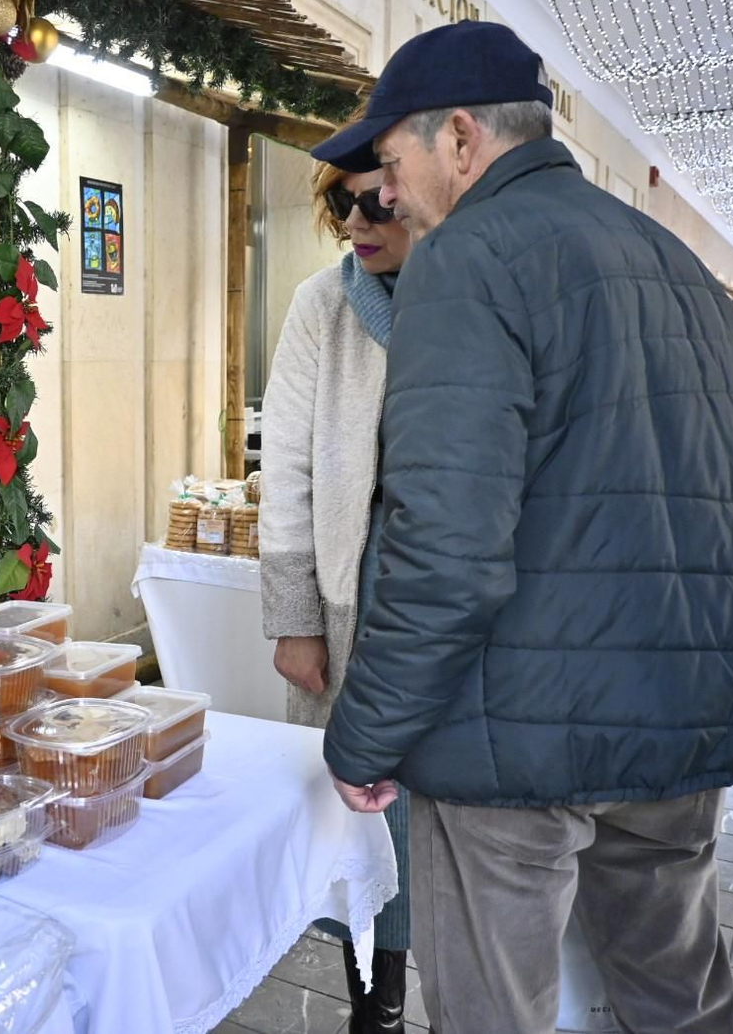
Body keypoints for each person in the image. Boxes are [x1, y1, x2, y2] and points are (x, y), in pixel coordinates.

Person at [311, 21, 733, 1034]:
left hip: (516, 734)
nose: (385, 194)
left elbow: (445, 547)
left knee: (493, 1010)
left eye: (390, 162)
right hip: (685, 712)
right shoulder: (672, 264)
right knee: (678, 997)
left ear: (458, 137)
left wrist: (364, 733)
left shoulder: (466, 259)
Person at [259, 131, 414, 1034]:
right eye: (339, 203)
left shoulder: (468, 299)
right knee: (362, 818)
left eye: (374, 202)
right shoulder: (323, 304)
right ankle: (376, 1000)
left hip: (444, 606)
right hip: (350, 605)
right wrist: (295, 617)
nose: (354, 221)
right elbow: (286, 465)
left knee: (432, 819)